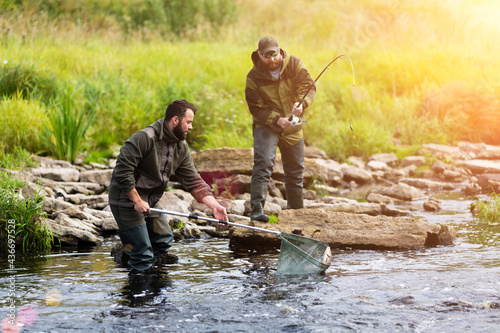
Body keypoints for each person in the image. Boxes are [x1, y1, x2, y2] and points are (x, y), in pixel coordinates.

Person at [108, 99, 228, 272]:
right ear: (175, 120)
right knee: (142, 255)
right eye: (188, 122)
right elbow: (122, 171)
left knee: (163, 239)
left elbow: (192, 179)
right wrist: (136, 200)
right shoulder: (144, 138)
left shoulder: (181, 146)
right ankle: (138, 288)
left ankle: (136, 263)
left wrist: (215, 206)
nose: (191, 127)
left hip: (150, 200)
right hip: (126, 200)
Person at [245, 36, 316, 222]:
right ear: (259, 55)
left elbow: (308, 87)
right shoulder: (253, 77)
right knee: (263, 164)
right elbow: (256, 108)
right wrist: (277, 120)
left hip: (293, 123)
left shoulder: (294, 64)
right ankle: (257, 212)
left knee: (295, 171)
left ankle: (296, 214)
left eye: (274, 54)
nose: (272, 59)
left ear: (279, 51)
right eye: (267, 55)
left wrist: (302, 105)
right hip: (266, 125)